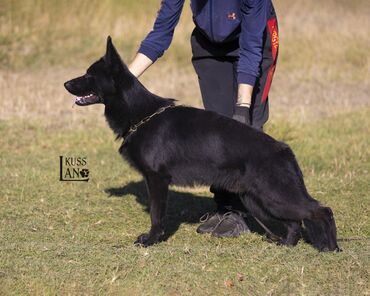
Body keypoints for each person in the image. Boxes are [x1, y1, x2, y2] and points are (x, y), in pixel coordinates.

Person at [128, 0, 279, 237]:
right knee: (217, 132)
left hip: (255, 39)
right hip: (210, 44)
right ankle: (227, 208)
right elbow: (160, 33)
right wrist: (122, 82)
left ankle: (254, 209)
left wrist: (242, 107)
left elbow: (251, 48)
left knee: (246, 128)